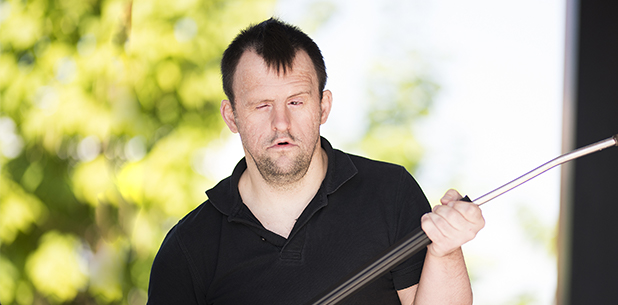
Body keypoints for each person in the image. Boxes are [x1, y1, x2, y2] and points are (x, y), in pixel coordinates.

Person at [147, 18, 485, 305]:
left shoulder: (389, 193)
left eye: (295, 102)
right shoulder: (188, 249)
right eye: (262, 105)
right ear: (231, 116)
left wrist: (445, 250)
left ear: (323, 107)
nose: (281, 122)